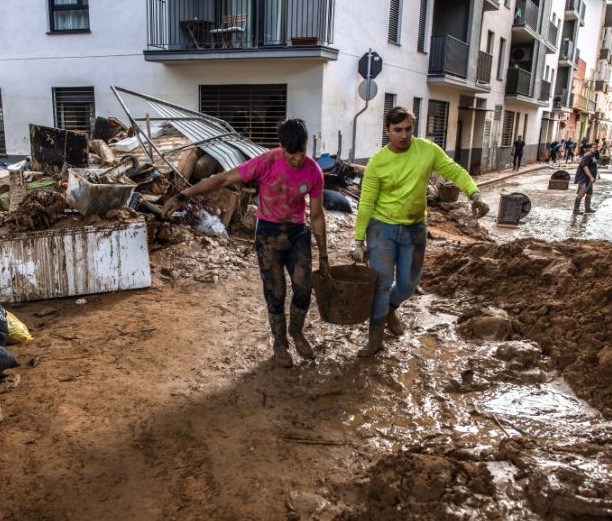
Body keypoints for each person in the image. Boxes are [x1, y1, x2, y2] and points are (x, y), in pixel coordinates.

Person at [163, 119, 328, 368]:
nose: (297, 160)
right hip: (269, 234)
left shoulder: (313, 171)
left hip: (297, 233)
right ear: (281, 147)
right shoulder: (266, 162)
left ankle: (297, 331)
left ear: (306, 146)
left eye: (301, 153)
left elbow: (316, 215)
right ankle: (280, 343)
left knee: (304, 288)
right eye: (291, 155)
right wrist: (183, 195)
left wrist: (324, 255)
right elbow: (221, 180)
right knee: (276, 293)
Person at [351, 106, 489, 357]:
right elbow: (366, 203)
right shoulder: (377, 163)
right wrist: (359, 240)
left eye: (408, 129)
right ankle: (375, 338)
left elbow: (455, 171)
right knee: (382, 283)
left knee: (409, 282)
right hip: (382, 228)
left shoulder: (427, 150)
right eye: (397, 130)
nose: (403, 135)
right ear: (387, 131)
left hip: (414, 229)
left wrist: (474, 194)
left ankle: (391, 308)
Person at [573, 142, 598, 214]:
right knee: (581, 194)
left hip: (590, 179)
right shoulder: (587, 156)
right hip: (585, 179)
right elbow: (585, 167)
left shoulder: (592, 156)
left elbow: (593, 166)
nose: (595, 149)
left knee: (589, 193)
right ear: (590, 148)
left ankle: (587, 208)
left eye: (596, 148)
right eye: (593, 147)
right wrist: (591, 177)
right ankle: (576, 210)